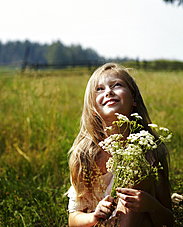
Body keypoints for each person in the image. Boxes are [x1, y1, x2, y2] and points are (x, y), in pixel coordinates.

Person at [67, 63, 174, 227]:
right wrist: (94, 216)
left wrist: (150, 205)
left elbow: (168, 219)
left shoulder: (149, 151)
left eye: (116, 85)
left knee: (139, 171)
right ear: (93, 108)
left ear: (134, 100)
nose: (109, 91)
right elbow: (73, 218)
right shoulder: (85, 155)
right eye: (99, 89)